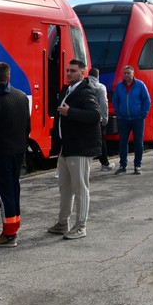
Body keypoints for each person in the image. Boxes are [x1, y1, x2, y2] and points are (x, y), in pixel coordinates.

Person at [48, 59, 101, 240]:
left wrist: (70, 112)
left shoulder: (86, 91)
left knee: (80, 188)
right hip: (66, 148)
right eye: (67, 70)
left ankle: (81, 225)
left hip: (80, 148)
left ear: (82, 73)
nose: (68, 73)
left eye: (72, 71)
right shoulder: (67, 90)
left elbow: (95, 115)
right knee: (65, 188)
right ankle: (63, 223)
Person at [0, 62, 30, 248]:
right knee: (13, 192)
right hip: (17, 152)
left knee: (3, 195)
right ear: (9, 77)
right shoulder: (21, 97)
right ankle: (13, 229)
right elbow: (27, 127)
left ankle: (9, 235)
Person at [112, 65, 151, 175]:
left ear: (133, 73)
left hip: (137, 119)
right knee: (123, 143)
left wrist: (143, 114)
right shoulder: (119, 86)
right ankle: (122, 166)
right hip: (123, 119)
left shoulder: (140, 85)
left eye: (128, 73)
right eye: (125, 73)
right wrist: (118, 113)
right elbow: (115, 100)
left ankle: (137, 165)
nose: (126, 75)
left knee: (138, 143)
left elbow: (147, 101)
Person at [88, 68, 114, 171]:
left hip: (85, 118)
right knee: (101, 141)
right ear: (97, 76)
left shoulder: (83, 85)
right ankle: (105, 163)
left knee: (87, 141)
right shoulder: (100, 87)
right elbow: (104, 103)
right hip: (97, 119)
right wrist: (105, 118)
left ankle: (86, 165)